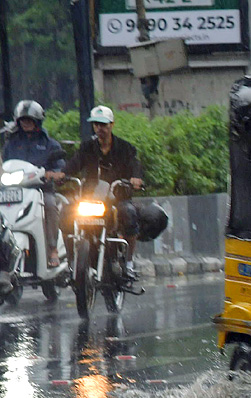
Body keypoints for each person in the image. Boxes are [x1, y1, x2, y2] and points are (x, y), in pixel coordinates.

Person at [64, 105, 145, 276]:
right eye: (96, 125)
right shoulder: (87, 147)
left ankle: (129, 262)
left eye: (103, 125)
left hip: (117, 197)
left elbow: (135, 165)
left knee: (129, 214)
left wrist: (136, 178)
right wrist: (61, 174)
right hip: (91, 198)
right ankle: (71, 262)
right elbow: (73, 164)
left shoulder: (125, 148)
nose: (100, 128)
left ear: (111, 125)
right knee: (66, 213)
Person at [2, 100, 66, 268]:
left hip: (41, 189)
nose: (26, 123)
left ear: (38, 121)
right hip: (15, 190)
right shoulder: (11, 144)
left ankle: (53, 249)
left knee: (51, 204)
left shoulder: (50, 144)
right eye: (23, 120)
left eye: (30, 120)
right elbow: (5, 166)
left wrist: (53, 174)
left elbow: (60, 167)